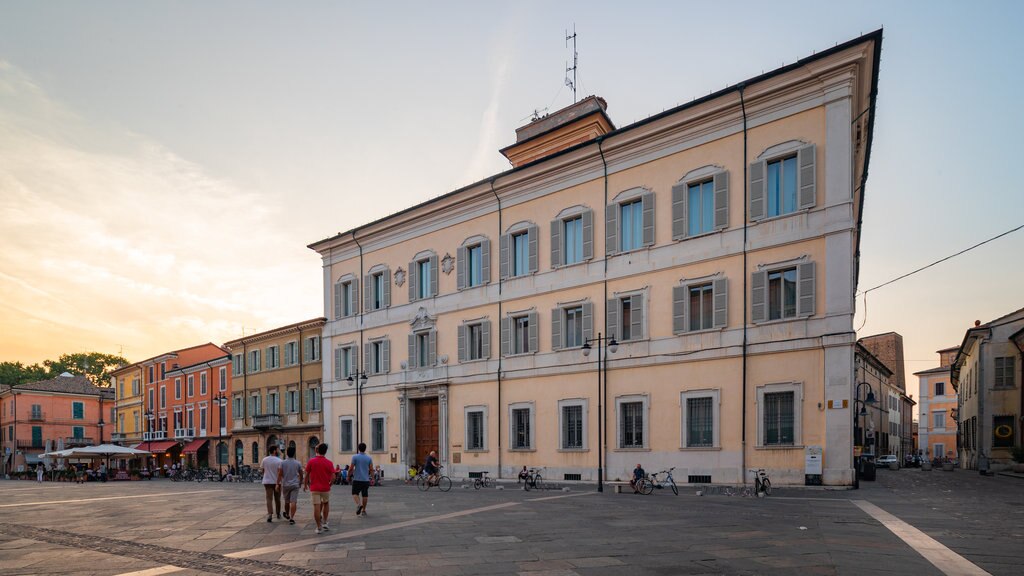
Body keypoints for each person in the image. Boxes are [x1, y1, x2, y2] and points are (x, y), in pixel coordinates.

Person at [304, 442, 335, 534]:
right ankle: (325, 522)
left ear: (317, 450)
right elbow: (333, 477)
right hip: (325, 487)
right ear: (325, 451)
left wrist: (305, 484)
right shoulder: (329, 463)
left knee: (316, 506)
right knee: (326, 503)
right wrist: (330, 484)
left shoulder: (311, 461)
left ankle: (319, 527)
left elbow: (306, 474)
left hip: (314, 488)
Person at [279, 445, 304, 526]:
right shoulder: (298, 463)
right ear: (294, 453)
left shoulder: (282, 463)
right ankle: (292, 518)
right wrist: (300, 482)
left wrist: (278, 482)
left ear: (287, 453)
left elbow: (280, 474)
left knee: (287, 501)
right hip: (295, 484)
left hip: (285, 484)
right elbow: (301, 473)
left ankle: (287, 514)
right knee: (293, 501)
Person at [259, 444, 284, 522]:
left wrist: (265, 475)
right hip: (277, 482)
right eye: (276, 449)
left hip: (267, 481)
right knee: (277, 499)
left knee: (269, 498)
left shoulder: (264, 459)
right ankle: (278, 513)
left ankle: (270, 514)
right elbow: (280, 472)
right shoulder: (279, 461)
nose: (277, 451)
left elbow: (262, 470)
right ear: (274, 451)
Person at [350, 442, 373, 517]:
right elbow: (371, 469)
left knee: (355, 493)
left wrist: (348, 475)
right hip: (365, 480)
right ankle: (364, 510)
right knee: (365, 495)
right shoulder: (369, 458)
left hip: (357, 479)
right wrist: (372, 478)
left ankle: (359, 504)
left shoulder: (355, 457)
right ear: (365, 449)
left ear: (358, 449)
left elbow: (351, 468)